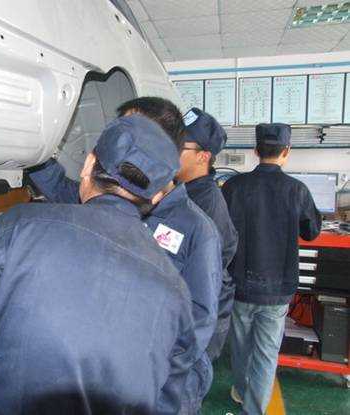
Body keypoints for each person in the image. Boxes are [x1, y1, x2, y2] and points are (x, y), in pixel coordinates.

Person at [0, 115, 197, 415]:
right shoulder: (175, 290)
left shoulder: (19, 228)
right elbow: (170, 398)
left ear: (88, 165)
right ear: (157, 196)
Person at [28, 97, 223, 415]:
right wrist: (33, 152)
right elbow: (62, 188)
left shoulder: (198, 230)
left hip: (163, 390)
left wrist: (150, 381)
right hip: (99, 378)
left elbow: (197, 323)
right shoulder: (103, 198)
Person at [222, 123, 322, 415]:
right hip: (277, 288)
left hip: (240, 283)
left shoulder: (233, 187)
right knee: (266, 353)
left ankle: (240, 390)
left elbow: (221, 231)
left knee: (240, 345)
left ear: (256, 151)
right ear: (286, 152)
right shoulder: (296, 189)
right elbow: (312, 232)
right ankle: (254, 409)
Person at [177, 108, 238, 361]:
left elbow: (212, 265)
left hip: (200, 321)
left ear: (203, 157)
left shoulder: (205, 203)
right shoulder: (184, 191)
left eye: (179, 146)